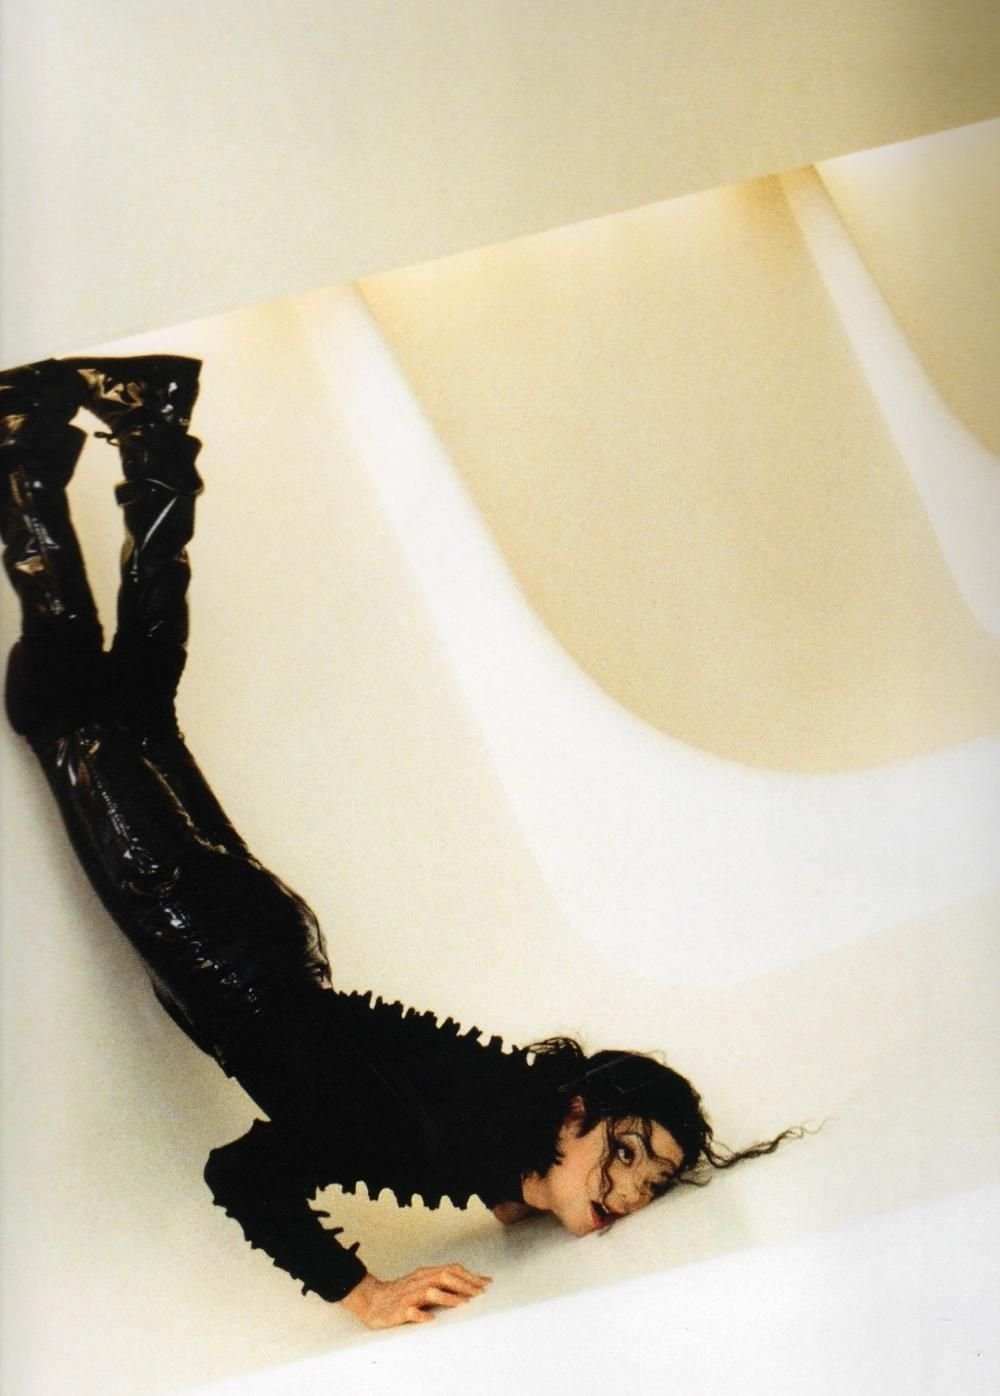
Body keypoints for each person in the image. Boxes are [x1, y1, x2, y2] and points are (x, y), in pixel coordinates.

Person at [0, 355, 798, 1329]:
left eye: (650, 1180)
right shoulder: (453, 1135)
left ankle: (145, 421)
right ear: (575, 1114)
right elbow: (244, 1174)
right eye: (626, 1153)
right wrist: (365, 1293)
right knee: (76, 709)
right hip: (219, 941)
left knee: (127, 703)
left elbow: (447, 1107)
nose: (630, 1192)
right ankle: (39, 438)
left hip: (261, 943)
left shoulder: (498, 1125)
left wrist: (519, 1191)